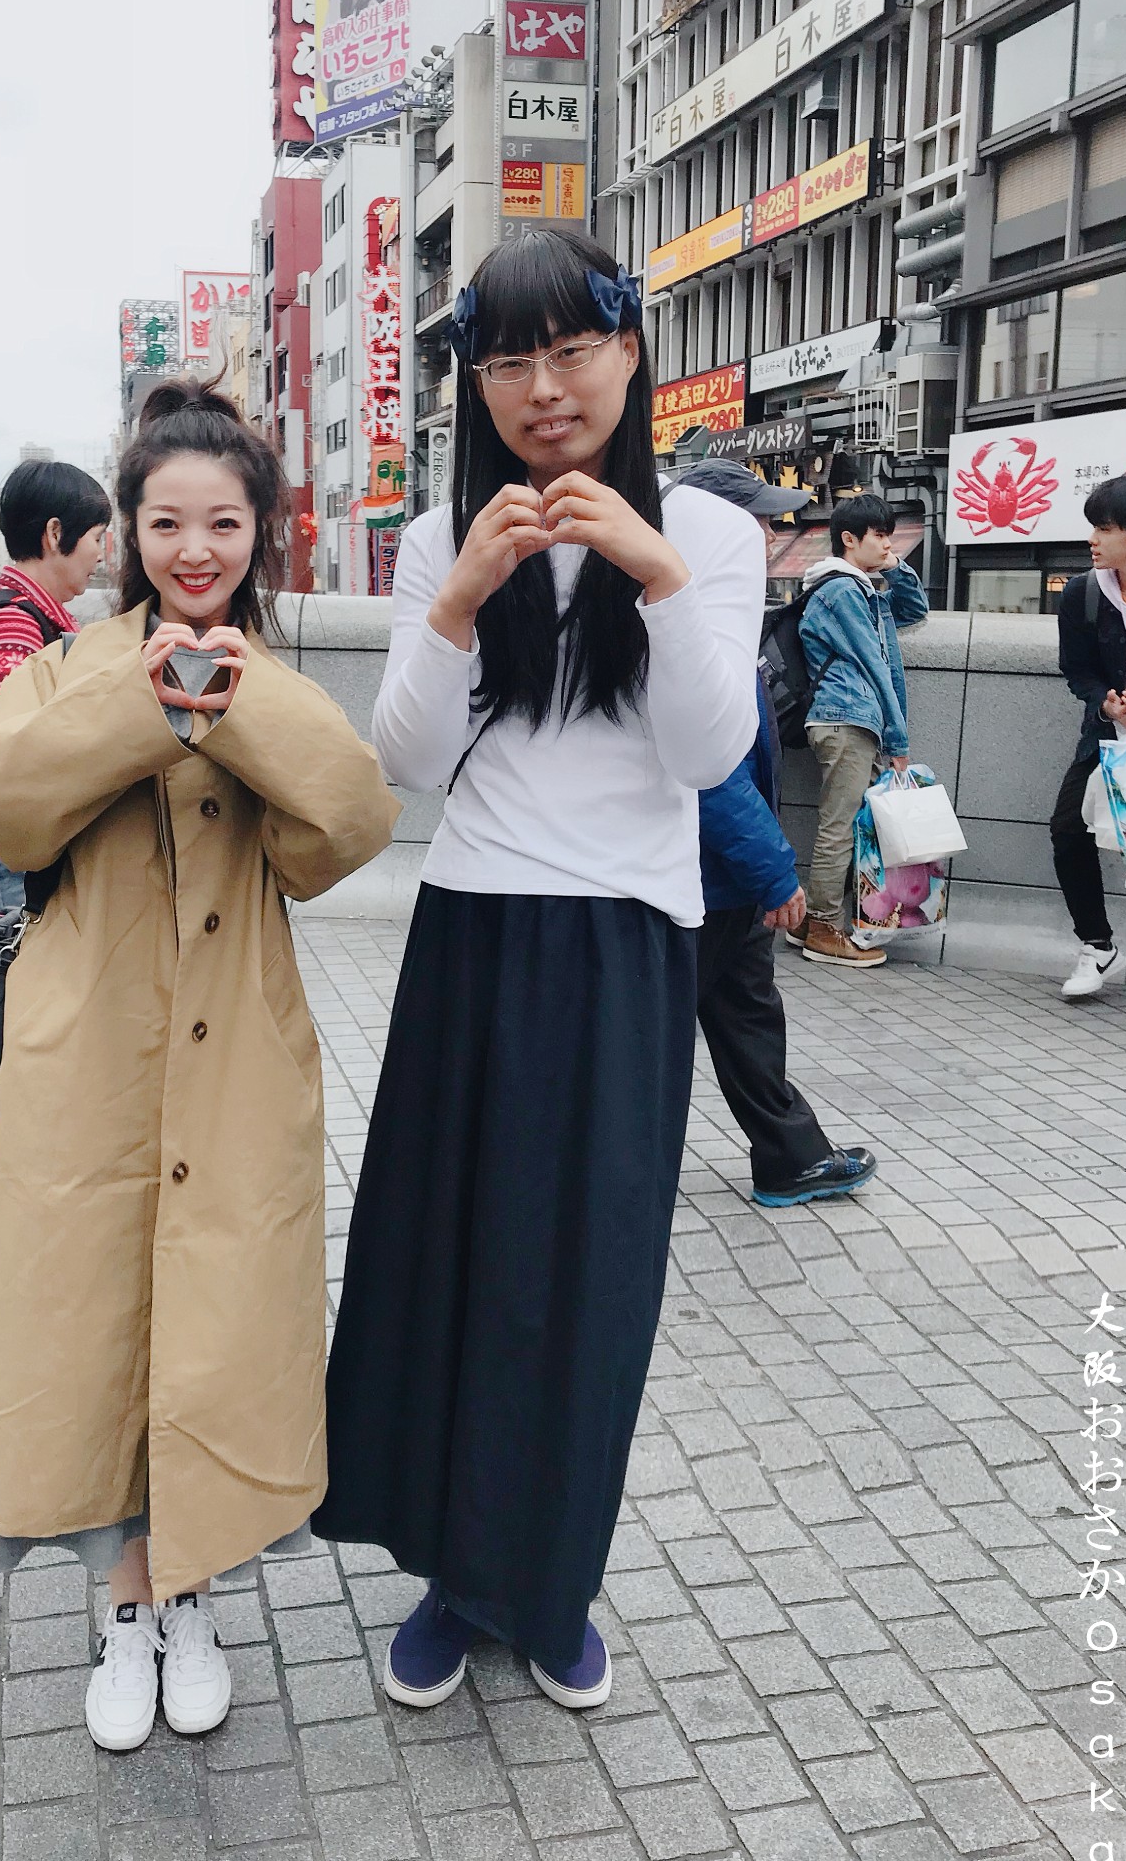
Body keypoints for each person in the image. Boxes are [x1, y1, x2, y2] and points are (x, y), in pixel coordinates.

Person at [313, 231, 764, 1711]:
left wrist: (651, 575)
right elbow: (406, 768)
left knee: (585, 1277)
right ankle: (450, 1576)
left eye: (569, 349)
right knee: (447, 1260)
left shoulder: (708, 530)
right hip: (475, 932)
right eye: (505, 361)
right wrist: (452, 607)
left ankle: (549, 1581)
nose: (540, 388)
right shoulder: (450, 534)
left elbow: (704, 757)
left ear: (629, 355)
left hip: (628, 939)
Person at [0, 380, 397, 1752]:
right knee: (94, 1331)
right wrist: (142, 706)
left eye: (225, 522)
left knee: (212, 1333)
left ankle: (192, 1596)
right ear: (127, 529)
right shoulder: (66, 666)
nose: (196, 548)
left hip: (237, 1060)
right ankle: (121, 1610)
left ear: (261, 532)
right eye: (166, 520)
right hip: (90, 1062)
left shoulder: (280, 680)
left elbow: (344, 833)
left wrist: (239, 713)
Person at [673, 461, 878, 1208]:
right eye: (755, 519)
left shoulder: (720, 610)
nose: (770, 533)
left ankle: (791, 1156)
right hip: (697, 879)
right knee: (650, 1038)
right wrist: (772, 873)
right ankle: (594, 1165)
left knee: (746, 1016)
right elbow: (709, 773)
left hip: (720, 879)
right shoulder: (679, 620)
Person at [0, 459, 111, 1237]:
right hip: (0, 862)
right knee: (22, 1024)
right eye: (97, 539)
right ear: (54, 535)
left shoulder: (33, 614)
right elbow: (12, 757)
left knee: (14, 1018)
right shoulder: (15, 623)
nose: (102, 554)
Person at [794, 492, 929, 967]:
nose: (889, 543)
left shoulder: (859, 588)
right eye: (880, 536)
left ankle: (815, 921)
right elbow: (874, 666)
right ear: (849, 539)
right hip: (845, 717)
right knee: (840, 827)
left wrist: (893, 567)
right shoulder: (843, 591)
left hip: (847, 719)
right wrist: (898, 740)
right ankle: (825, 928)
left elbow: (914, 610)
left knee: (843, 823)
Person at [1053, 472, 1126, 999]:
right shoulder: (1083, 593)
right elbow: (1077, 670)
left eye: (1106, 528)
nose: (1093, 539)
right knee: (1069, 830)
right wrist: (1107, 701)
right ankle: (1097, 944)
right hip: (1110, 736)